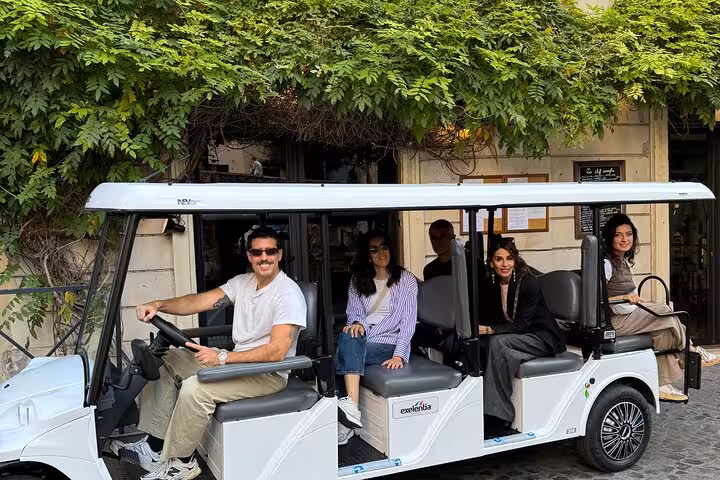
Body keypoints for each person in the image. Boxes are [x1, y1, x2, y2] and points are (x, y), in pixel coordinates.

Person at [111, 226, 307, 480]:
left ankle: (182, 462)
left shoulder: (288, 294)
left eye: (270, 251)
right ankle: (154, 445)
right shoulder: (243, 283)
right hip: (237, 363)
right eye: (257, 252)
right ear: (249, 256)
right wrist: (159, 304)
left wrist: (223, 357)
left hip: (265, 373)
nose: (264, 257)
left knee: (196, 388)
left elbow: (276, 351)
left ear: (279, 254)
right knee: (163, 361)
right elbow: (197, 301)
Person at [602, 213, 719, 402]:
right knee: (664, 310)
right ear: (610, 238)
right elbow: (596, 298)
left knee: (663, 332)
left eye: (629, 234)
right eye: (618, 234)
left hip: (627, 314)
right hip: (615, 322)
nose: (625, 239)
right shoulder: (607, 263)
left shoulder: (622, 260)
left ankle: (661, 384)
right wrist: (623, 297)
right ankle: (691, 350)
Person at [477, 237, 566, 437]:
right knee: (488, 346)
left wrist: (490, 330)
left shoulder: (528, 282)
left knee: (498, 343)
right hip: (520, 337)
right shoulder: (493, 282)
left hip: (541, 337)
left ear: (515, 260)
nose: (505, 264)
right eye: (499, 259)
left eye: (509, 258)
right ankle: (486, 408)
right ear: (492, 262)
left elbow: (522, 324)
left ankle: (499, 417)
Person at [336, 231, 418, 446]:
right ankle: (349, 415)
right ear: (367, 254)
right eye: (374, 249)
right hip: (365, 337)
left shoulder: (406, 280)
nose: (381, 252)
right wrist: (357, 325)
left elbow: (408, 323)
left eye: (384, 246)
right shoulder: (357, 281)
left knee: (340, 356)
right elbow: (354, 313)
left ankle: (347, 418)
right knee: (347, 336)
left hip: (390, 342)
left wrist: (399, 354)